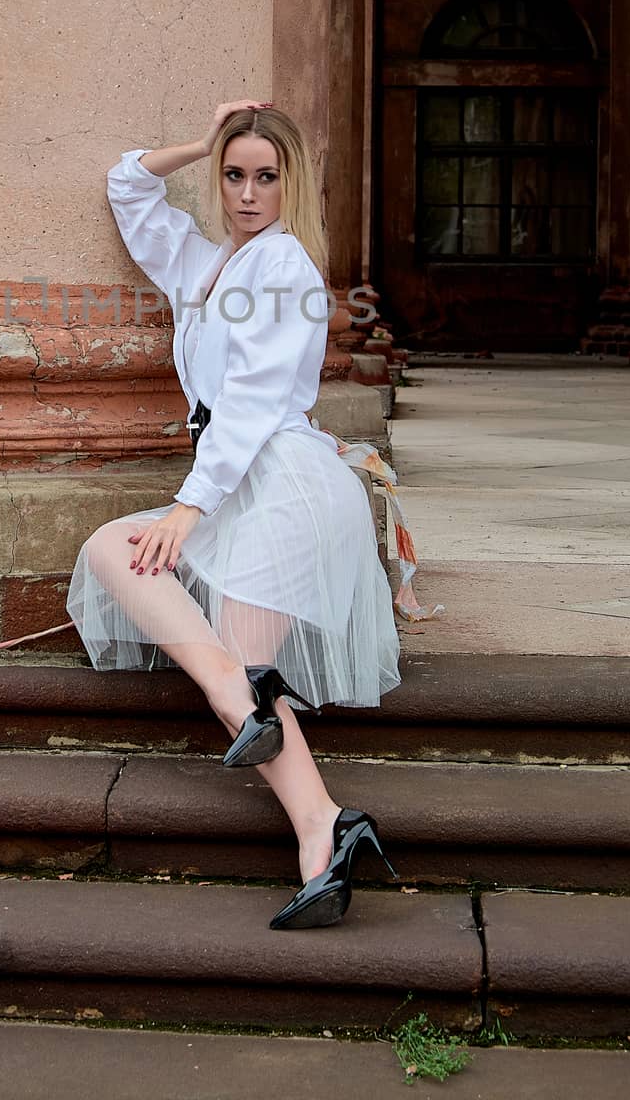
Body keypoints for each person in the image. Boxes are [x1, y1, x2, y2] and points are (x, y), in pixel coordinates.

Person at [66, 101, 402, 928]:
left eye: (266, 177)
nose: (247, 193)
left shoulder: (284, 267)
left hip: (283, 485)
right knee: (114, 549)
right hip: (244, 480)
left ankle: (317, 831)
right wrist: (203, 138)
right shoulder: (208, 262)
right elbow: (127, 186)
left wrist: (187, 507)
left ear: (292, 185)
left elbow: (250, 403)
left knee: (240, 668)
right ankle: (314, 804)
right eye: (232, 174)